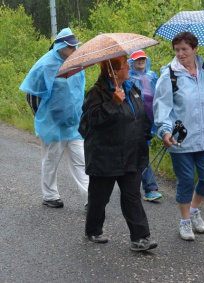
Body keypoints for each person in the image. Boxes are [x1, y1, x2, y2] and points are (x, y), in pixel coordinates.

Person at [153, 31, 204, 241]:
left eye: (185, 49)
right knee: (186, 180)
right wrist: (165, 131)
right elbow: (162, 107)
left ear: (195, 49)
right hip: (181, 138)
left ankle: (194, 210)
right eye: (177, 50)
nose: (180, 54)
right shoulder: (169, 75)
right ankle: (185, 221)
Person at [79, 55, 157, 251]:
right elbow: (91, 121)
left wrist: (147, 136)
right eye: (124, 65)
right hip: (105, 156)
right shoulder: (96, 93)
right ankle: (93, 230)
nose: (129, 68)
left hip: (132, 153)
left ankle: (140, 238)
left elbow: (140, 116)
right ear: (113, 71)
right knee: (99, 198)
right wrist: (112, 103)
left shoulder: (132, 89)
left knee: (132, 195)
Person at [19, 28, 88, 210]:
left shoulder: (75, 63)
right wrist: (43, 119)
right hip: (52, 125)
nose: (74, 50)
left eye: (75, 47)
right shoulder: (46, 65)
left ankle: (90, 199)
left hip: (74, 125)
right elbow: (32, 95)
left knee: (82, 162)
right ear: (61, 46)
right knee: (51, 160)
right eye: (71, 47)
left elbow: (80, 92)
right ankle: (50, 195)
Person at [128, 50, 162, 202]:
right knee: (142, 152)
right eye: (137, 59)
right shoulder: (128, 78)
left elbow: (160, 94)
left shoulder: (152, 76)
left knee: (138, 152)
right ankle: (150, 187)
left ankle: (129, 183)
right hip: (134, 120)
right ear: (132, 62)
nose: (140, 61)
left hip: (150, 119)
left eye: (143, 59)